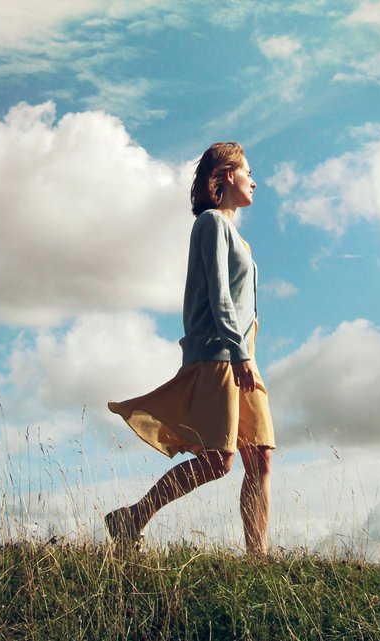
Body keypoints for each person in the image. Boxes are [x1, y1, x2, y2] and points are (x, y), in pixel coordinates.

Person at [105, 142, 275, 555]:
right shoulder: (211, 224)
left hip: (239, 357)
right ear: (225, 176)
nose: (255, 180)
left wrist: (246, 352)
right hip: (221, 356)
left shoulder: (239, 239)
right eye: (247, 171)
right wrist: (239, 352)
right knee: (220, 461)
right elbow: (218, 293)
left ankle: (259, 558)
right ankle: (133, 517)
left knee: (261, 457)